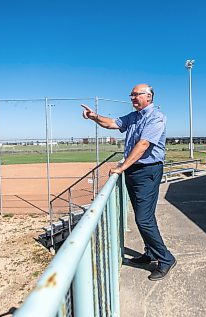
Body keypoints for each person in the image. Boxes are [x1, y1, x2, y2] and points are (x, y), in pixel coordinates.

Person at [81, 83, 176, 281]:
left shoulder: (156, 117)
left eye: (136, 94)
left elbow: (143, 145)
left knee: (143, 219)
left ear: (149, 97)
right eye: (131, 95)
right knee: (144, 216)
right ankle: (150, 252)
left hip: (147, 171)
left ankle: (165, 259)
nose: (132, 97)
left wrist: (121, 167)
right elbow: (111, 123)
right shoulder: (133, 117)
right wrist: (94, 116)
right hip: (134, 171)